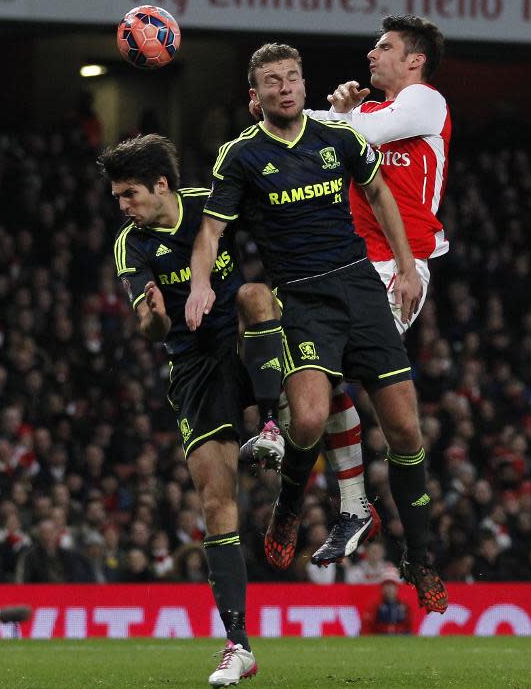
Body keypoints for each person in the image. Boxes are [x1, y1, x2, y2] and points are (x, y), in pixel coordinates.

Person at [186, 43, 447, 614]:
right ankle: (289, 508)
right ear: (255, 99)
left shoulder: (340, 137)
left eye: (294, 78)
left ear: (304, 87)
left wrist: (405, 266)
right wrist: (201, 283)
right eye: (273, 81)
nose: (287, 87)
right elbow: (210, 231)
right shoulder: (241, 156)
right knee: (305, 416)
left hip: (358, 287)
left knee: (405, 429)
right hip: (301, 297)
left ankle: (420, 556)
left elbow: (379, 193)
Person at [245, 16, 451, 574]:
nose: (371, 54)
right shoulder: (371, 111)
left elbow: (348, 138)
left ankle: (361, 507)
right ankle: (355, 506)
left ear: (414, 61)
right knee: (317, 378)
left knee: (336, 381)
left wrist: (319, 113)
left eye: (384, 47)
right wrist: (335, 112)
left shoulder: (426, 103)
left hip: (400, 269)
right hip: (352, 268)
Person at [98, 134, 283, 689]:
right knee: (214, 499)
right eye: (117, 198)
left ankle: (272, 423)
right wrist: (153, 317)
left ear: (162, 185)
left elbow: (273, 224)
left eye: (129, 195)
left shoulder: (211, 199)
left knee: (256, 295)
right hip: (195, 367)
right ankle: (239, 644)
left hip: (246, 340)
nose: (123, 207)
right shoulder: (130, 245)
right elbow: (151, 327)